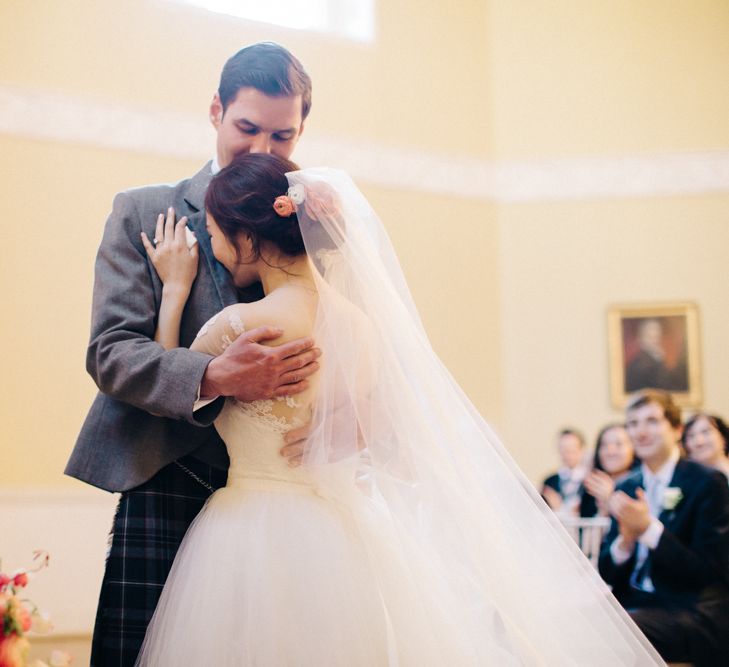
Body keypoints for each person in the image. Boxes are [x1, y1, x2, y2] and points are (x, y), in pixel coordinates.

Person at [134, 153, 663, 665]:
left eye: (217, 231)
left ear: (247, 236)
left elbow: (168, 391)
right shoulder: (362, 329)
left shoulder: (239, 327)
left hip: (251, 530)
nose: (213, 242)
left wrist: (176, 289)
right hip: (344, 536)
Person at [65, 43, 321, 666]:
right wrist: (211, 374)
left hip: (282, 498)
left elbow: (362, 344)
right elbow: (111, 352)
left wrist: (342, 419)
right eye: (247, 128)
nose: (263, 150)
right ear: (215, 111)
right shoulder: (143, 211)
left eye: (282, 135)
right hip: (166, 478)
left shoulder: (320, 219)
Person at [598, 390, 729, 666]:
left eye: (652, 421)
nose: (641, 432)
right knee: (560, 618)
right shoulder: (626, 486)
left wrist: (648, 530)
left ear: (677, 429)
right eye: (633, 423)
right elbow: (607, 570)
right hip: (635, 601)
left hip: (689, 608)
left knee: (615, 633)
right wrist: (624, 542)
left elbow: (709, 572)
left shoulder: (707, 482)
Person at [580, 423, 636, 517]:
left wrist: (610, 499)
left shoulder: (642, 485)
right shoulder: (592, 489)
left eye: (619, 444)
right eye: (604, 445)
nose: (610, 451)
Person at [540, 428, 588, 516]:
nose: (568, 454)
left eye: (572, 449)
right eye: (564, 449)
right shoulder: (549, 482)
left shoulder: (591, 482)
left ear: (582, 450)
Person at [682, 412, 729, 481]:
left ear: (723, 438)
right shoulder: (685, 480)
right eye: (691, 436)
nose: (699, 442)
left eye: (705, 432)